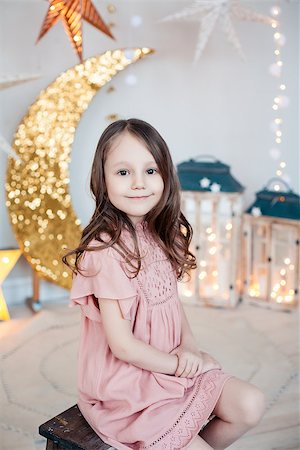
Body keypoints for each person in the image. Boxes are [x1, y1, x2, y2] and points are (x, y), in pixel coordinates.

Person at [63, 118, 265, 450]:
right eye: (123, 172)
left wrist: (189, 348)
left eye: (151, 171)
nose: (139, 183)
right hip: (127, 389)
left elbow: (170, 302)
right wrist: (181, 367)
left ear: (165, 176)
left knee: (250, 404)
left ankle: (178, 440)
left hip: (169, 364)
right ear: (102, 179)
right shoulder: (106, 250)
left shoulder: (160, 231)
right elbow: (122, 346)